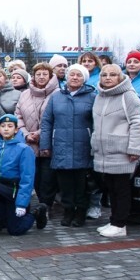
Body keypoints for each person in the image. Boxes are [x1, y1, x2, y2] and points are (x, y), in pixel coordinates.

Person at [91, 64, 140, 238]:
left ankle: (120, 223)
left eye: (112, 75)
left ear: (120, 77)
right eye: (104, 75)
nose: (107, 78)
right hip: (103, 151)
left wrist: (135, 148)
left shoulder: (128, 96)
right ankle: (114, 219)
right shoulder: (100, 96)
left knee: (121, 188)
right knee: (111, 187)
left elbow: (138, 122)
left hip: (121, 151)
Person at [39, 64, 97, 227]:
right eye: (72, 74)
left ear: (84, 78)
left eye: (79, 75)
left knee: (81, 184)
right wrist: (45, 144)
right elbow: (47, 121)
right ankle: (68, 211)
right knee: (65, 184)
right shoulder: (56, 96)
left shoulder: (92, 96)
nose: (75, 78)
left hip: (83, 146)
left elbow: (97, 122)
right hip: (61, 146)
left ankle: (80, 213)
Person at [0, 114, 47, 237]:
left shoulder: (24, 149)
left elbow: (27, 178)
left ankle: (36, 212)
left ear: (16, 130)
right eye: (3, 126)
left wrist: (21, 204)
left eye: (10, 126)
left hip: (14, 190)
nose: (6, 129)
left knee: (15, 230)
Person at [16, 63, 59, 211]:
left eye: (44, 74)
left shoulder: (58, 94)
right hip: (28, 142)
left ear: (50, 76)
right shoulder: (25, 94)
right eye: (38, 74)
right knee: (33, 176)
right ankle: (38, 205)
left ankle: (46, 207)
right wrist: (26, 134)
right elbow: (18, 116)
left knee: (48, 179)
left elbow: (58, 118)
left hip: (48, 142)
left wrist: (40, 134)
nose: (41, 77)